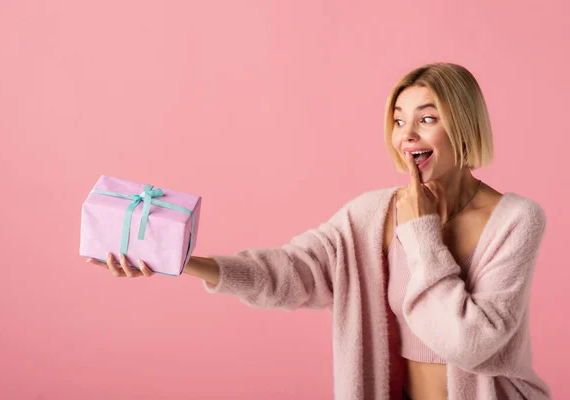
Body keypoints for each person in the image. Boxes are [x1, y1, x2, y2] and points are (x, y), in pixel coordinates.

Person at [86, 63, 551, 400]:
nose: (407, 134)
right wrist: (185, 261)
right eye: (398, 120)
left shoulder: (515, 220)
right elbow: (291, 272)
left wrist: (422, 231)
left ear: (465, 126)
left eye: (427, 119)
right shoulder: (371, 215)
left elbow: (470, 345)